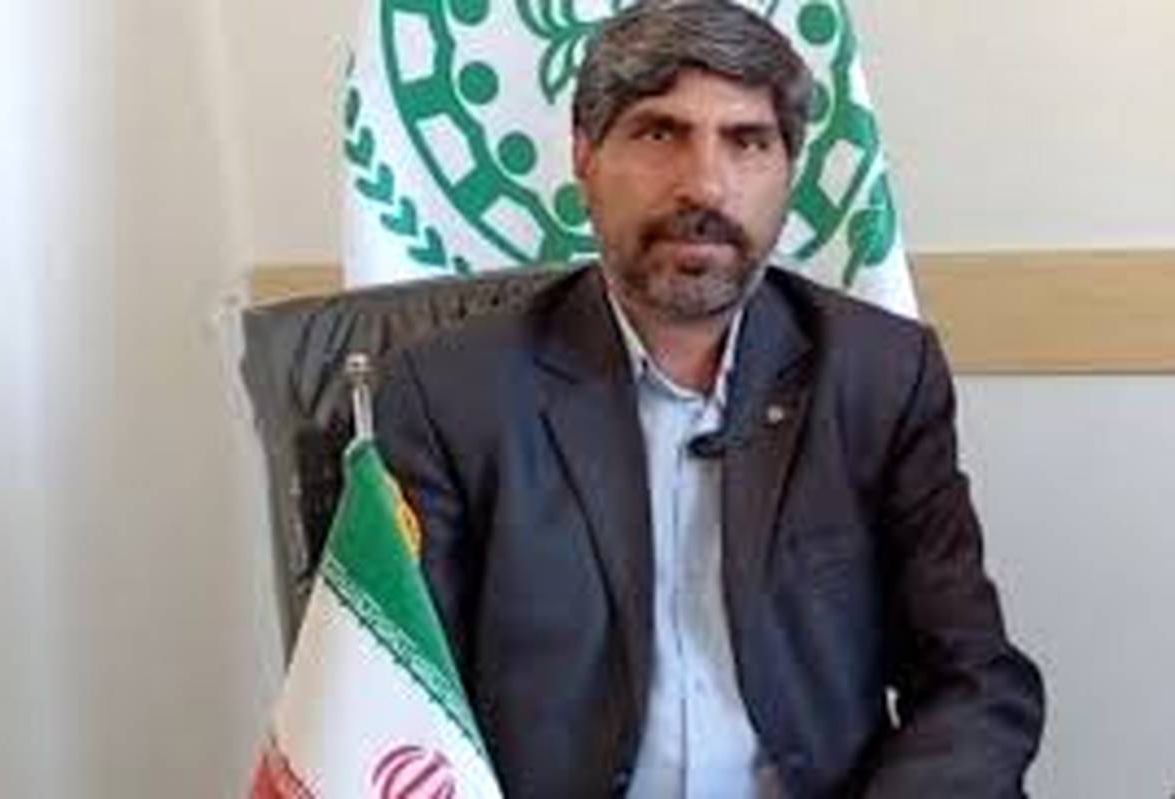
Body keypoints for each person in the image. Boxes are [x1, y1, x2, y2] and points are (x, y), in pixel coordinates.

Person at [373, 1, 1045, 796]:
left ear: (789, 169)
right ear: (584, 154)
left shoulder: (878, 377)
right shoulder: (452, 396)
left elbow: (975, 680)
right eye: (660, 133)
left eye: (747, 141)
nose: (704, 184)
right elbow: (398, 709)